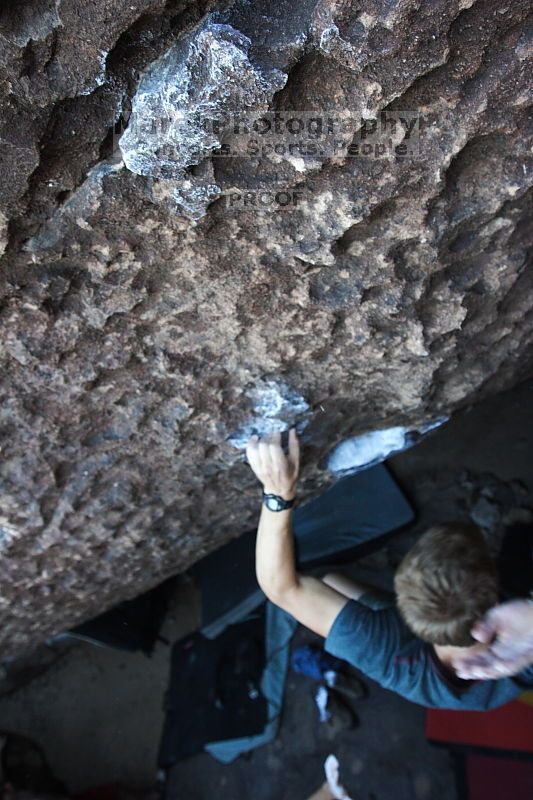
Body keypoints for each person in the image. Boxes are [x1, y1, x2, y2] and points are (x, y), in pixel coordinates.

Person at [246, 430, 533, 710]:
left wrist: (278, 493)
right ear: (495, 596)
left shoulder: (388, 652)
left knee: (325, 580)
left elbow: (280, 587)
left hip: (402, 638)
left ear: (407, 611)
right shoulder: (524, 657)